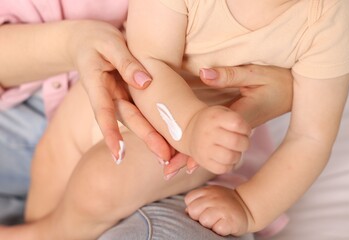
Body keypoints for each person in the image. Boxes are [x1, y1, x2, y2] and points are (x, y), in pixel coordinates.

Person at [0, 1, 293, 239]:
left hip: (189, 157)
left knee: (154, 220)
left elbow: (312, 123)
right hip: (35, 114)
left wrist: (291, 89)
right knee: (68, 165)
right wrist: (73, 42)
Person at [124, 0, 349, 236]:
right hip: (126, 118)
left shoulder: (330, 16)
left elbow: (311, 138)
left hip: (196, 162)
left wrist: (248, 207)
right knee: (99, 188)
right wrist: (191, 125)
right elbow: (148, 63)